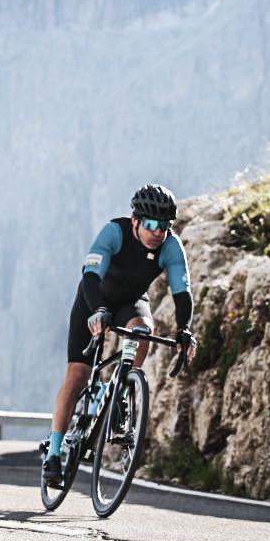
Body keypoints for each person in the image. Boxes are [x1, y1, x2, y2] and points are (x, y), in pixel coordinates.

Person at [42, 184, 196, 486]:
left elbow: (182, 293)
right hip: (94, 298)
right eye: (150, 224)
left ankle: (125, 385)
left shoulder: (171, 247)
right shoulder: (115, 232)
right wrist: (98, 310)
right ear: (135, 221)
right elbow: (90, 277)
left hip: (131, 301)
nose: (157, 232)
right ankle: (55, 452)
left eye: (164, 226)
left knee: (143, 331)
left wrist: (185, 330)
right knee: (77, 377)